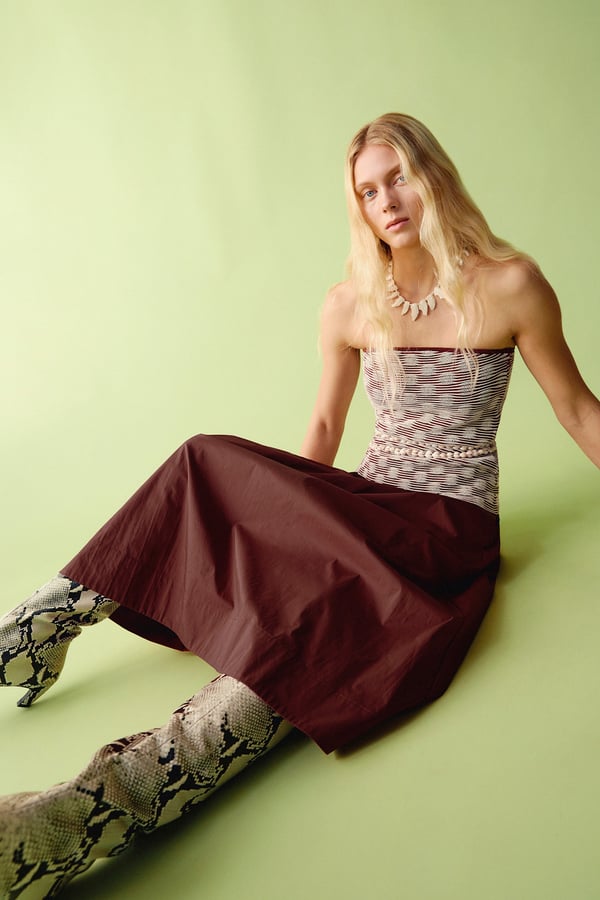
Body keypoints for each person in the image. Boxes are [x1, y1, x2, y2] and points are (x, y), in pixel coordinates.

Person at [1, 112, 598, 898]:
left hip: (444, 532)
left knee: (311, 641)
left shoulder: (511, 284)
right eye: (368, 191)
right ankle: (34, 629)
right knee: (204, 457)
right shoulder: (350, 303)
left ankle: (60, 828)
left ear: (434, 178)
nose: (387, 201)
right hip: (361, 504)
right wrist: (283, 534)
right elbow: (322, 427)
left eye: (399, 179)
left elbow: (579, 411)